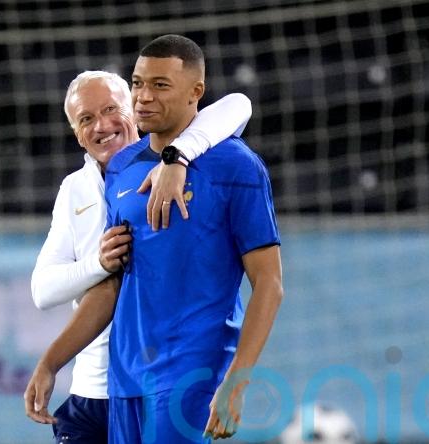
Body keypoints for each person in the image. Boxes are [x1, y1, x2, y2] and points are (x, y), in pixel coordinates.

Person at [26, 34, 283, 443]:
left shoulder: (237, 166)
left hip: (191, 371)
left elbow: (269, 282)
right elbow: (112, 286)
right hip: (125, 377)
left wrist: (237, 380)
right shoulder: (122, 169)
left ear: (195, 92)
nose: (144, 96)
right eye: (138, 83)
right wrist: (51, 362)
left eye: (160, 85)